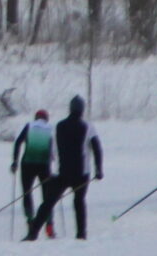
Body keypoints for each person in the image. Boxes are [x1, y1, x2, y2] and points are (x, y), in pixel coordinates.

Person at [26, 96, 105, 241]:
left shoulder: (59, 125)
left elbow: (53, 148)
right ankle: (81, 234)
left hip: (62, 173)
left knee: (48, 203)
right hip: (82, 173)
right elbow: (97, 148)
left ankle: (33, 233)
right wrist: (99, 169)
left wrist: (51, 166)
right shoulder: (88, 126)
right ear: (82, 110)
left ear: (70, 108)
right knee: (79, 202)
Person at [11, 107, 56, 236]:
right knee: (47, 196)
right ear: (46, 118)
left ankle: (30, 222)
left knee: (27, 193)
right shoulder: (49, 129)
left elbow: (18, 143)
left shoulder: (29, 126)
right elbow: (53, 151)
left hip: (27, 165)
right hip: (44, 166)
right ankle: (49, 225)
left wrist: (15, 161)